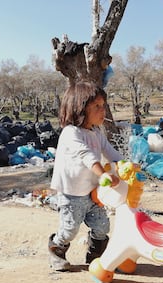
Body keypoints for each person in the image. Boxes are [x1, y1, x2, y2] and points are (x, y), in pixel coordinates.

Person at [48, 81, 123, 271]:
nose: (102, 110)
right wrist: (104, 174)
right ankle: (56, 250)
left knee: (102, 226)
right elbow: (85, 155)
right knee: (70, 230)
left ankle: (96, 257)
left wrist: (126, 165)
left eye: (103, 105)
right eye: (96, 106)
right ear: (79, 108)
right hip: (72, 193)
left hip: (93, 191)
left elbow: (109, 151)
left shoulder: (97, 132)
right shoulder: (70, 133)